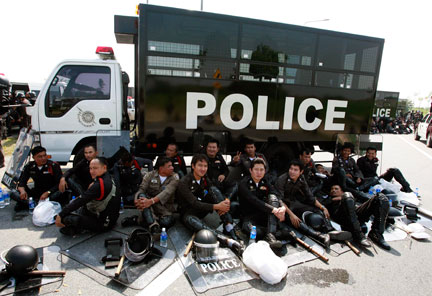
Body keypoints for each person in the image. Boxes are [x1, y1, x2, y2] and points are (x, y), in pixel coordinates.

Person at [176, 154, 243, 252]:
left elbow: (213, 193)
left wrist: (224, 202)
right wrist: (217, 206)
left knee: (214, 190)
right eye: (200, 165)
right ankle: (226, 239)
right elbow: (194, 203)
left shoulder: (204, 178)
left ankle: (229, 228)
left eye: (205, 166)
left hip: (203, 209)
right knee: (193, 221)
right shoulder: (184, 182)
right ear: (193, 166)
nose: (203, 169)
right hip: (189, 212)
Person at [275, 160, 334, 248]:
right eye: (291, 169)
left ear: (301, 172)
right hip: (283, 207)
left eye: (295, 170)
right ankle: (319, 236)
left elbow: (310, 197)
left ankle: (330, 229)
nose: (292, 172)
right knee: (297, 222)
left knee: (316, 209)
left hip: (294, 203)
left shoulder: (301, 178)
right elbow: (279, 200)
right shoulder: (282, 179)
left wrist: (323, 207)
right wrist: (291, 215)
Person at [55, 157, 120, 235]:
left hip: (103, 224)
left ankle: (81, 229)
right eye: (90, 168)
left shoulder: (99, 185)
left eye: (95, 168)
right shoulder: (108, 176)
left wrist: (60, 214)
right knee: (75, 207)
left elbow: (80, 201)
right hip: (112, 218)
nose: (92, 171)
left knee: (65, 218)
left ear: (104, 167)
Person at [237, 158, 287, 250]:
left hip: (264, 214)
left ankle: (270, 236)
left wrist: (283, 208)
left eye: (261, 170)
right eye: (256, 169)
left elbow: (275, 194)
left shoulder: (265, 181)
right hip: (249, 216)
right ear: (250, 170)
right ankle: (273, 233)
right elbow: (254, 200)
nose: (259, 172)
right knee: (251, 231)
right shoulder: (243, 184)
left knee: (273, 198)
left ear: (265, 171)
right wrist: (274, 210)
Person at [122, 157, 179, 234]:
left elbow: (166, 192)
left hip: (164, 208)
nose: (172, 168)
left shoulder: (174, 177)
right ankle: (153, 225)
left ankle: (139, 220)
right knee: (141, 195)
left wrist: (151, 201)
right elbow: (141, 189)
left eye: (172, 165)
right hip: (149, 207)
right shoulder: (150, 175)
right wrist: (136, 200)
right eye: (169, 166)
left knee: (166, 223)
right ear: (161, 168)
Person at [325, 185, 390, 250]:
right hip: (343, 218)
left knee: (381, 197)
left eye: (336, 189)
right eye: (332, 189)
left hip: (356, 215)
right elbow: (321, 203)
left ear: (341, 191)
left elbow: (362, 198)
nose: (334, 190)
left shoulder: (348, 197)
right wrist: (333, 199)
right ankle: (359, 235)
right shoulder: (329, 200)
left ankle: (376, 234)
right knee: (347, 195)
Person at [11, 146, 65, 211]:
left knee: (60, 192)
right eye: (40, 156)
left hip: (51, 192)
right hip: (37, 192)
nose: (43, 158)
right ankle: (35, 203)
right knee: (13, 193)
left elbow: (58, 184)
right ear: (34, 157)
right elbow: (22, 181)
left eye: (45, 155)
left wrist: (48, 192)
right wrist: (22, 191)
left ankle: (30, 204)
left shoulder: (53, 165)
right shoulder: (30, 166)